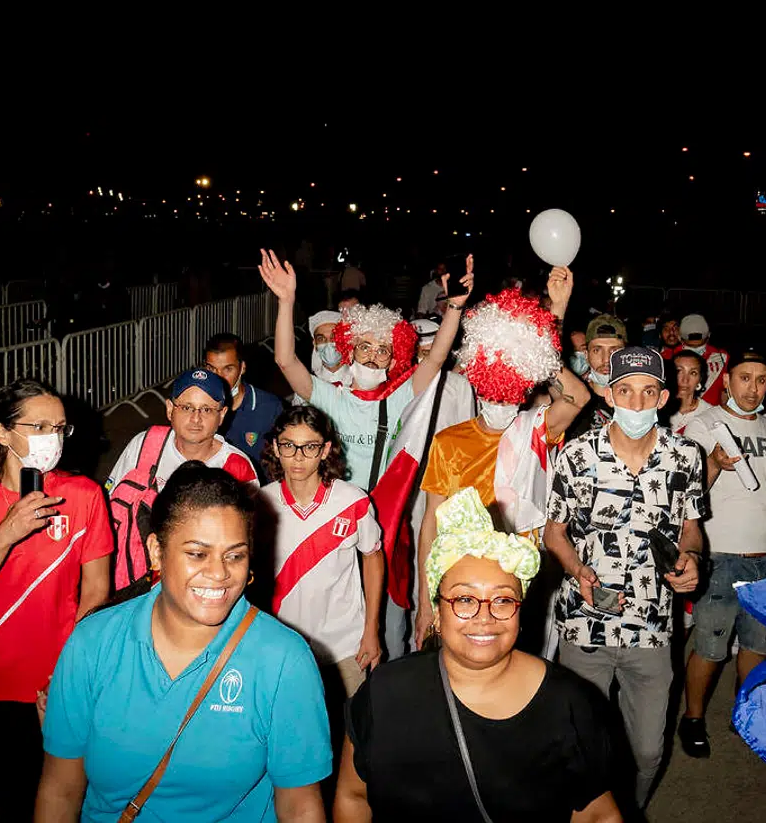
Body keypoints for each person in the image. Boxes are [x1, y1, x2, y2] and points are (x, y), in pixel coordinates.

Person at [36, 464, 331, 822]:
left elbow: (300, 807)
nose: (220, 573)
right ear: (156, 552)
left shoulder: (284, 659)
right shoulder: (92, 644)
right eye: (197, 553)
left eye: (235, 555)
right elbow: (60, 789)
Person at [334, 488, 622, 822]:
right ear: (437, 614)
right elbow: (353, 796)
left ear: (520, 612)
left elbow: (598, 814)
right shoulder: (383, 693)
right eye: (465, 600)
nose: (484, 617)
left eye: (502, 600)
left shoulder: (569, 703)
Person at [0, 379, 111, 823]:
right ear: (2, 433)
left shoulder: (85, 495)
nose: (52, 438)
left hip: (57, 688)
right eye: (39, 426)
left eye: (61, 428)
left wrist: (70, 668)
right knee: (12, 807)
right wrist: (6, 532)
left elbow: (96, 590)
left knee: (64, 805)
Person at [544, 347, 704, 809]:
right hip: (584, 621)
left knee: (648, 749)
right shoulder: (576, 455)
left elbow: (690, 524)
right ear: (609, 394)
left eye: (648, 392)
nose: (636, 404)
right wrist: (577, 570)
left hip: (652, 624)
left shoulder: (684, 457)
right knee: (578, 744)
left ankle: (626, 813)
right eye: (626, 392)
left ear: (664, 397)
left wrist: (691, 556)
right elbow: (555, 532)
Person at [413, 272, 590, 648]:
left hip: (522, 574)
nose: (501, 396)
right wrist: (425, 597)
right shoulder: (449, 441)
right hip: (461, 577)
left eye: (511, 384)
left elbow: (577, 397)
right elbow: (430, 523)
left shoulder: (536, 428)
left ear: (525, 387)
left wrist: (535, 344)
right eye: (493, 384)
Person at [677, 349, 766, 758]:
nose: (753, 388)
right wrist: (715, 465)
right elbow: (685, 493)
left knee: (757, 645)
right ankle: (693, 718)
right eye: (745, 378)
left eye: (761, 380)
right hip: (720, 556)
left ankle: (744, 712)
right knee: (710, 647)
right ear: (728, 380)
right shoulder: (704, 425)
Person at [260, 248, 473, 488]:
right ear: (349, 351)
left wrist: (454, 307)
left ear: (393, 361)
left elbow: (435, 358)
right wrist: (286, 301)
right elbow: (286, 361)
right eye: (364, 347)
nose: (372, 355)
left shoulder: (399, 397)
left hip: (381, 509)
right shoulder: (331, 396)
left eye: (383, 350)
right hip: (336, 508)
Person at [258, 405, 385, 697]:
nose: (299, 457)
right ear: (276, 449)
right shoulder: (260, 503)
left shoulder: (352, 501)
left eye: (310, 447)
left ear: (326, 450)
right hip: (284, 647)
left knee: (350, 732)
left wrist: (371, 631)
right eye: (289, 446)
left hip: (345, 645)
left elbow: (373, 558)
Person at [104, 368, 259, 498]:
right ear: (170, 409)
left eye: (206, 409)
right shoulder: (145, 445)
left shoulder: (236, 466)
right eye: (186, 407)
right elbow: (111, 501)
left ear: (222, 415)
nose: (196, 418)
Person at [204, 332, 282, 464]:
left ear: (243, 367)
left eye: (228, 369)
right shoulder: (196, 407)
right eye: (212, 369)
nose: (219, 378)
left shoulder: (269, 407)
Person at [566, 313, 626, 440]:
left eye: (614, 351)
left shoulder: (638, 402)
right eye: (597, 350)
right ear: (586, 355)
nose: (606, 360)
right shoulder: (574, 400)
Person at [666, 314, 729, 407]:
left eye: (700, 346)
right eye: (690, 347)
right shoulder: (668, 357)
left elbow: (726, 393)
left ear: (708, 337)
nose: (696, 351)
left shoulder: (722, 358)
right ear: (680, 338)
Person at [667, 349, 713, 435]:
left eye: (693, 373)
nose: (685, 380)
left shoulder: (710, 414)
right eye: (679, 371)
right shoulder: (657, 408)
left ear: (700, 379)